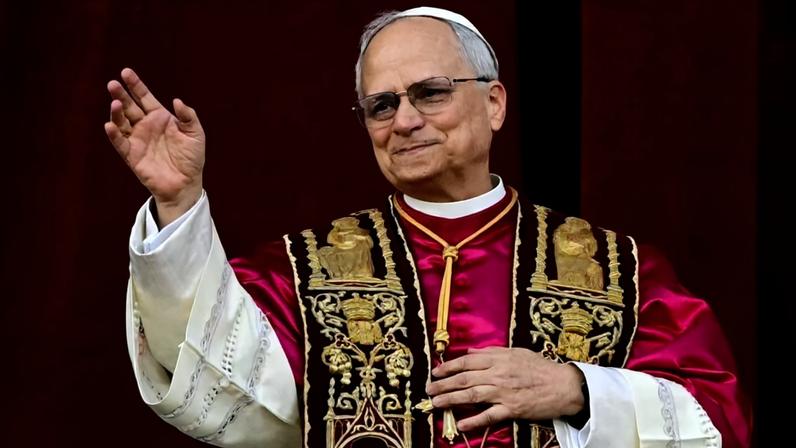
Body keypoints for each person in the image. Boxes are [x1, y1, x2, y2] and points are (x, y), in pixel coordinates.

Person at [105, 6, 750, 448]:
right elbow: (216, 386)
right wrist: (180, 204)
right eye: (381, 105)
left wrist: (578, 390)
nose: (404, 120)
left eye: (430, 93)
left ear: (494, 104)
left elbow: (716, 424)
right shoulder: (305, 270)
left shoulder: (620, 270)